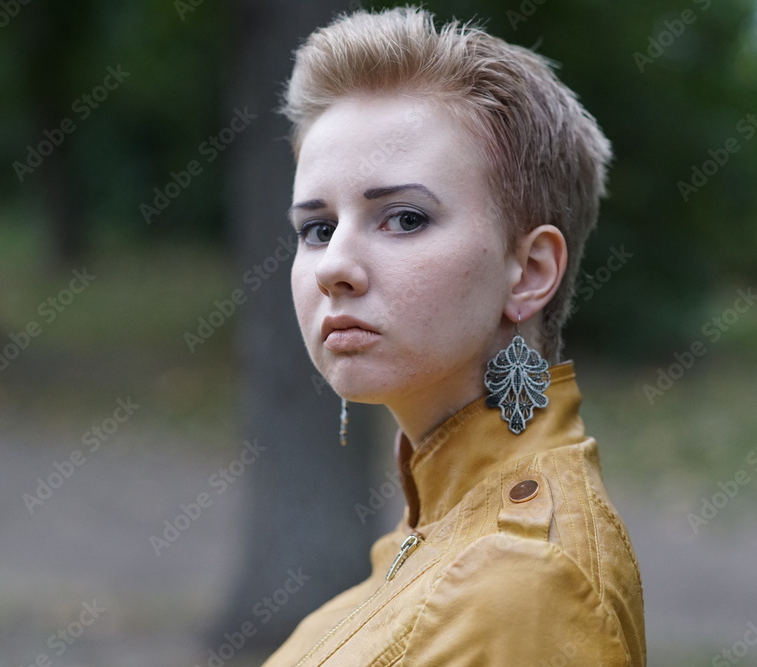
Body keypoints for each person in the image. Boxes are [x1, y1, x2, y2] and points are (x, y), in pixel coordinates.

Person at [264, 6, 644, 665]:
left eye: (404, 218)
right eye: (317, 228)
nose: (334, 268)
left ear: (527, 272)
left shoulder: (524, 579)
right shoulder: (433, 524)